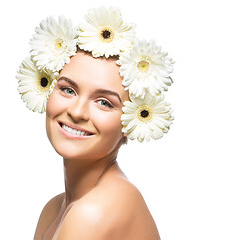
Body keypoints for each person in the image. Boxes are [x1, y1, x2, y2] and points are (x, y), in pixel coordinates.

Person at [16, 6, 174, 240]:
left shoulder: (93, 212)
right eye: (68, 89)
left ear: (133, 120)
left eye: (104, 103)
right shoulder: (53, 209)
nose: (77, 112)